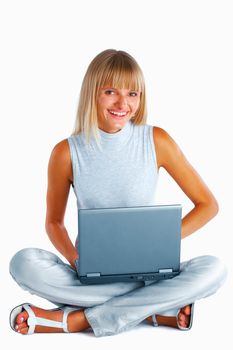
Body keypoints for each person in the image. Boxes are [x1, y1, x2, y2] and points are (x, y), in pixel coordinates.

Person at [9, 49, 227, 337]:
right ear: (92, 94)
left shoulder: (156, 140)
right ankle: (155, 310)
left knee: (215, 269)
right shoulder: (66, 152)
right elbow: (54, 223)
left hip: (149, 272)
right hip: (92, 275)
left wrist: (162, 240)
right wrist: (76, 260)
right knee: (22, 263)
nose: (123, 103)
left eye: (133, 93)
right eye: (110, 91)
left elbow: (208, 205)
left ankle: (75, 320)